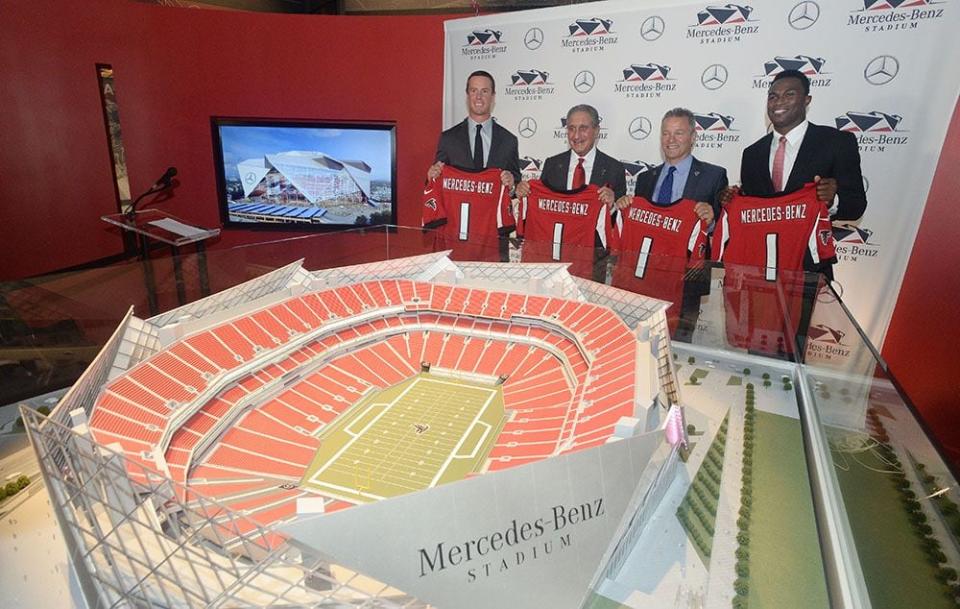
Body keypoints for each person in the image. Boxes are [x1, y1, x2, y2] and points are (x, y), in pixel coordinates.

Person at [734, 69, 867, 276]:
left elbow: (856, 206)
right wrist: (732, 200)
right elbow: (751, 210)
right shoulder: (752, 154)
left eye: (789, 95)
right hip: (758, 269)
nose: (779, 102)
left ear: (807, 100)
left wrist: (834, 200)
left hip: (809, 270)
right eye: (773, 96)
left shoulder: (836, 143)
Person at [618, 107, 727, 224]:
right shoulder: (645, 178)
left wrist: (711, 220)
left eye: (678, 133)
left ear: (693, 137)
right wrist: (624, 208)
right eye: (666, 133)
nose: (671, 140)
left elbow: (725, 227)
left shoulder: (713, 177)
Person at [517, 104, 625, 206]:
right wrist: (525, 194)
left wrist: (613, 205)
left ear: (596, 131)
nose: (576, 136)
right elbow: (540, 203)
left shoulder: (614, 169)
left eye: (583, 129)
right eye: (571, 129)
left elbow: (620, 218)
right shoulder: (552, 165)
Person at [427, 70, 520, 189]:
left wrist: (512, 184)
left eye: (484, 91)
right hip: (457, 207)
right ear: (467, 95)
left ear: (493, 96)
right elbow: (435, 184)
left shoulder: (509, 141)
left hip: (493, 207)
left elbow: (517, 184)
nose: (479, 97)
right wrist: (431, 177)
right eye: (473, 90)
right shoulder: (448, 139)